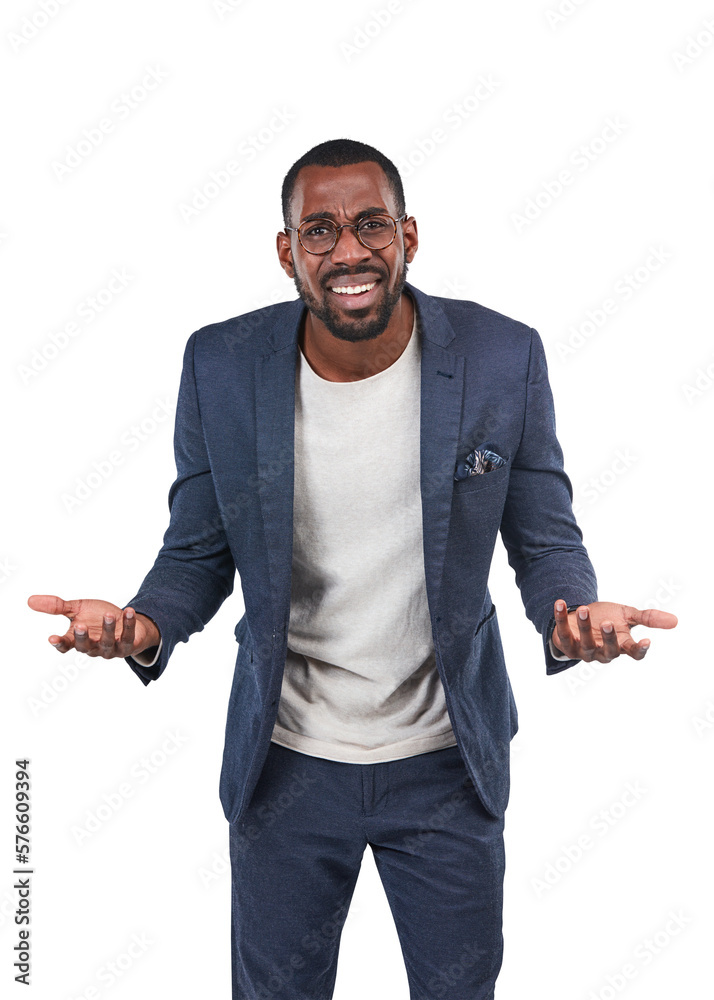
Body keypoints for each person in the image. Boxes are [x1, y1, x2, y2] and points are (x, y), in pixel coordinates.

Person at [28, 138, 678, 999]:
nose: (349, 251)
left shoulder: (499, 356)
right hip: (286, 761)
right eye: (320, 230)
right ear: (287, 251)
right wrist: (142, 624)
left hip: (448, 759)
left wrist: (575, 609)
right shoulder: (221, 366)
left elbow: (546, 535)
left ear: (409, 235)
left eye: (371, 225)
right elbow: (196, 548)